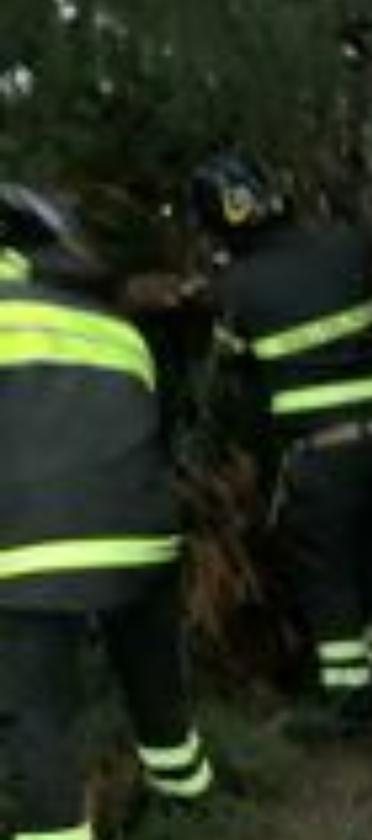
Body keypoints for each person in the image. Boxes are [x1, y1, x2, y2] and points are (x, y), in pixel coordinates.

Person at [0, 184, 215, 839]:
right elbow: (159, 430)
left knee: (39, 723)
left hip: (30, 555)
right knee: (160, 698)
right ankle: (194, 806)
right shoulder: (116, 326)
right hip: (145, 541)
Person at [187, 154, 372, 730]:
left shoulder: (237, 287)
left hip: (325, 452)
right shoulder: (345, 244)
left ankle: (350, 703)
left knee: (328, 573)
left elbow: (228, 380)